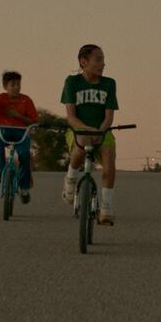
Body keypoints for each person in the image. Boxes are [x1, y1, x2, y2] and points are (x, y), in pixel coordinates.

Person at [60, 44, 119, 225]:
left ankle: (106, 209)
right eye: (98, 59)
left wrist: (101, 131)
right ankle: (70, 179)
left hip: (102, 129)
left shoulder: (109, 84)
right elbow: (70, 117)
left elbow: (109, 117)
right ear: (83, 62)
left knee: (109, 162)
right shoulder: (72, 82)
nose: (103, 64)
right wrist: (87, 129)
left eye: (103, 60)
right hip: (79, 128)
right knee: (82, 143)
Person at [0, 71, 39, 204]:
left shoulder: (26, 100)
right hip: (3, 130)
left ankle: (24, 188)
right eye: (13, 84)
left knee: (24, 155)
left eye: (18, 84)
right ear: (5, 86)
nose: (16, 87)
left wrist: (17, 116)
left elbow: (33, 121)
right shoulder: (1, 98)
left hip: (21, 132)